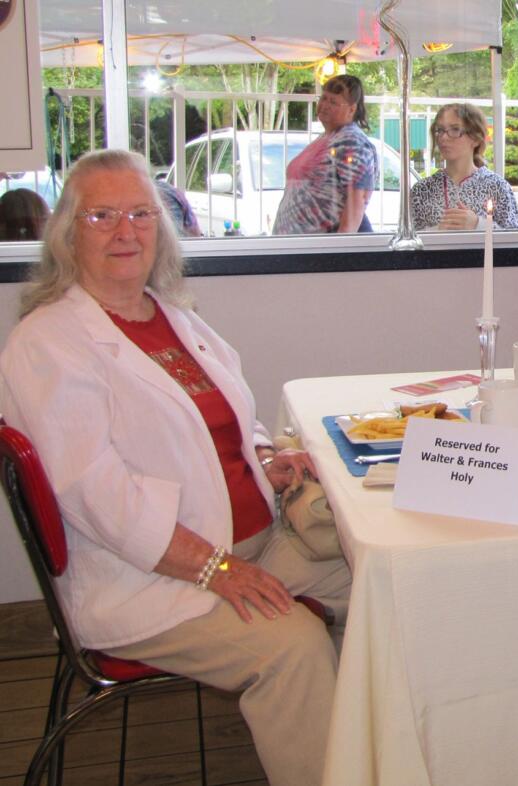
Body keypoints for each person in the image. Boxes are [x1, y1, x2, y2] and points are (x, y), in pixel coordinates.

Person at [0, 150, 351, 786]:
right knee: (293, 649)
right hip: (154, 579)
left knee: (383, 581)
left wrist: (266, 456)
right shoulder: (48, 342)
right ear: (68, 231)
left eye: (140, 213)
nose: (125, 230)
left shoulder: (172, 316)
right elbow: (94, 493)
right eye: (101, 215)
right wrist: (214, 568)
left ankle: (381, 753)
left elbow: (232, 417)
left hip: (256, 541)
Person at [273, 74, 377, 235]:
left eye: (333, 102)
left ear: (352, 109)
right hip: (303, 248)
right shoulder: (328, 138)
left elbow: (357, 198)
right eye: (324, 98)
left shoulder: (351, 141)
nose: (325, 105)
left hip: (323, 250)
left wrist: (338, 248)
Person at [410, 103, 518, 230]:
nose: (443, 137)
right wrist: (436, 232)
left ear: (476, 138)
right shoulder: (422, 191)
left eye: (455, 129)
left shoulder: (497, 187)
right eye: (439, 130)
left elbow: (517, 242)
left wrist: (478, 224)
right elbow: (408, 242)